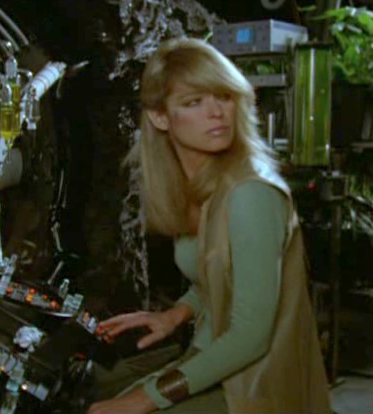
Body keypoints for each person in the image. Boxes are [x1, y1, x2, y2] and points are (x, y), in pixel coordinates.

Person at [87, 37, 331, 413]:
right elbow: (223, 274)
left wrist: (144, 399)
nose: (217, 112)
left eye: (224, 96)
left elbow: (251, 336)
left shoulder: (251, 194)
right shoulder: (199, 184)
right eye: (194, 102)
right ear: (160, 117)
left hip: (255, 385)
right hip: (211, 356)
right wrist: (175, 315)